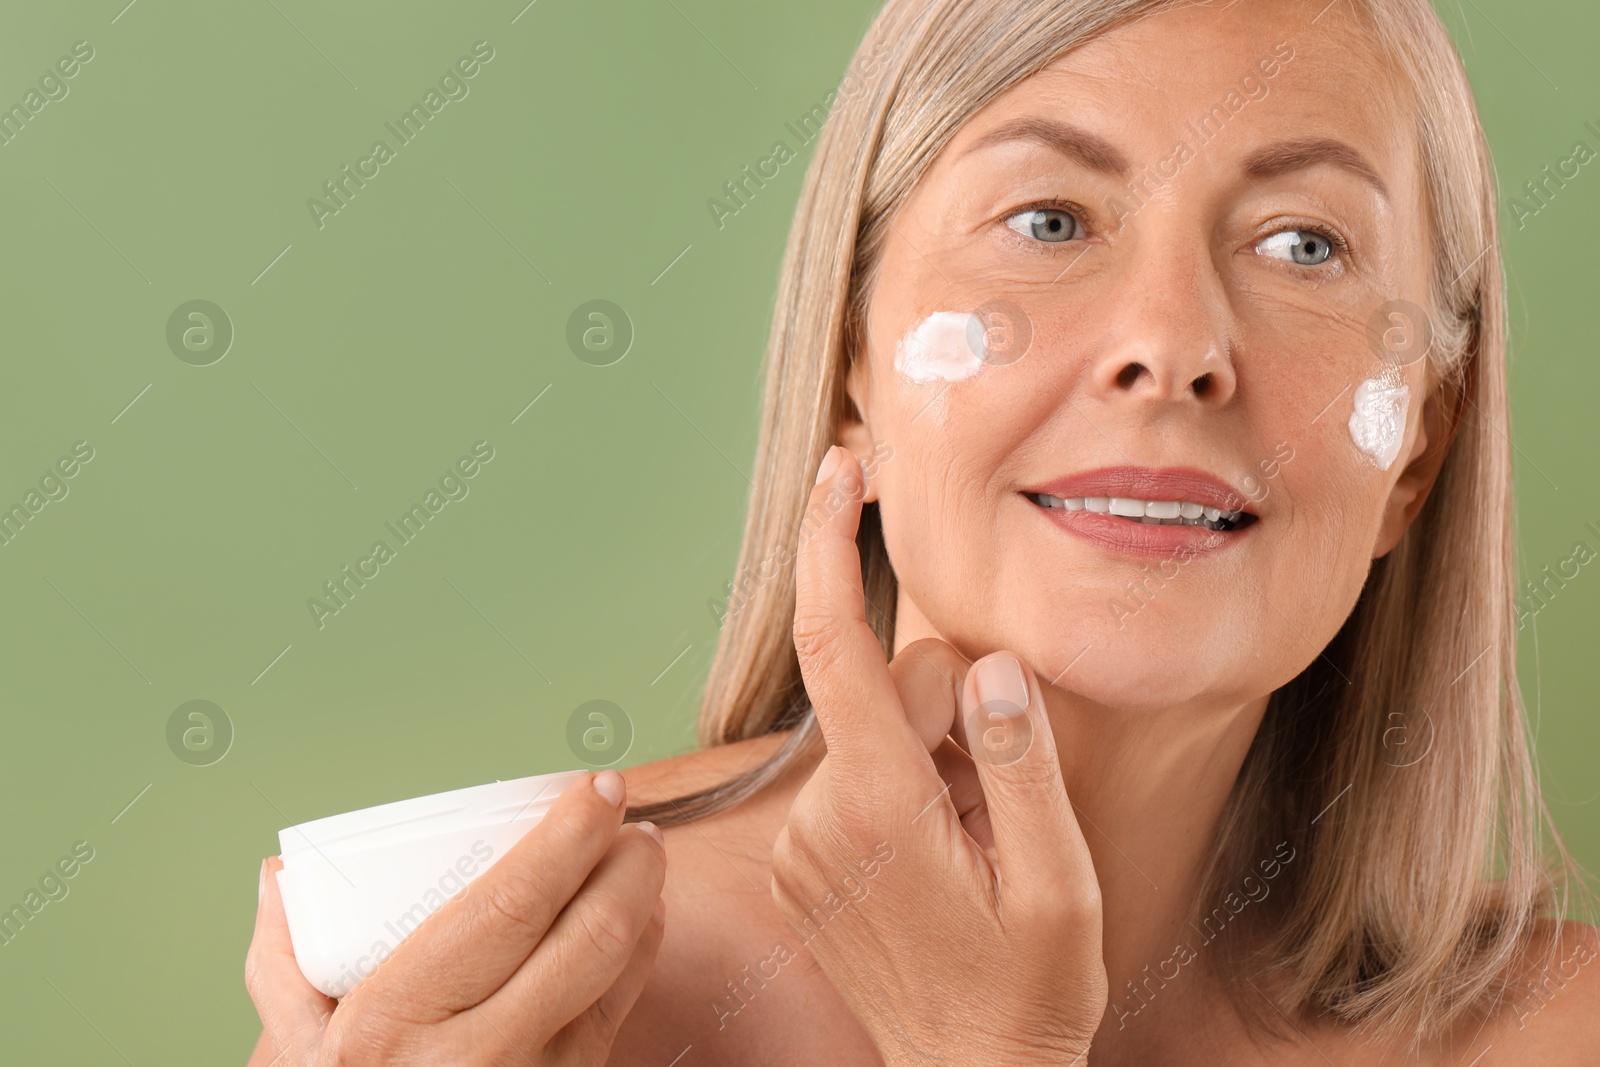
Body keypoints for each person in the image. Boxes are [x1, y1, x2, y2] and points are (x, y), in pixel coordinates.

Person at [246, 0, 1600, 1062]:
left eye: (1305, 245)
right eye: (1048, 219)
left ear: (1421, 439)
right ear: (852, 367)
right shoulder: (508, 996)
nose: (1174, 345)